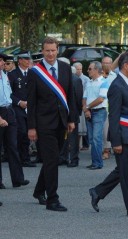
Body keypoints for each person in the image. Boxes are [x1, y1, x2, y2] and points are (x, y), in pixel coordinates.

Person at [89, 52, 128, 217]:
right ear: (126, 66)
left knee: (124, 170)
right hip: (122, 134)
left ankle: (97, 191)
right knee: (125, 173)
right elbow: (114, 115)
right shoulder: (116, 85)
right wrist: (115, 142)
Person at [27, 37, 75, 212]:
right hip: (43, 124)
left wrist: (71, 119)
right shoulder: (35, 72)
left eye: (53, 50)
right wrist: (31, 127)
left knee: (50, 160)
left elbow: (70, 96)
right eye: (47, 50)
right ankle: (52, 199)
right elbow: (31, 102)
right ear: (42, 51)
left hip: (62, 121)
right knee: (52, 160)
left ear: (58, 50)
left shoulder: (65, 68)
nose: (50, 54)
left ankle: (39, 190)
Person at [0, 53, 30, 189]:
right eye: (1, 61)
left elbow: (9, 94)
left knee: (13, 145)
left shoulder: (5, 75)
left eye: (4, 61)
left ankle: (18, 179)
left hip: (9, 111)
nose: (3, 63)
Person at [8, 51, 36, 167]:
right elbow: (9, 93)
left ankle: (27, 157)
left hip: (31, 108)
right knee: (22, 133)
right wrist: (19, 102)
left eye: (28, 59)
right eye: (25, 59)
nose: (28, 61)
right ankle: (23, 158)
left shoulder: (32, 74)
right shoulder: (12, 74)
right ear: (19, 60)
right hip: (18, 108)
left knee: (30, 133)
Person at [58, 58, 83, 167]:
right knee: (62, 136)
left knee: (72, 138)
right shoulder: (59, 78)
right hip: (61, 112)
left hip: (72, 112)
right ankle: (63, 157)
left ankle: (74, 159)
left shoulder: (75, 79)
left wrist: (76, 112)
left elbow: (78, 98)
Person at [82, 61, 108, 170]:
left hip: (99, 111)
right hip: (90, 111)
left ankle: (98, 163)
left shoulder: (104, 82)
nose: (88, 70)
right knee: (92, 139)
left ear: (97, 70)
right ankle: (95, 162)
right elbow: (84, 97)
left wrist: (87, 107)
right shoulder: (89, 82)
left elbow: (101, 98)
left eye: (89, 69)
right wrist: (86, 109)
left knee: (96, 138)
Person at [101, 56, 117, 160]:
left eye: (109, 63)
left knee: (113, 127)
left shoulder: (115, 76)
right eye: (105, 63)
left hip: (112, 105)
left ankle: (114, 146)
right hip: (102, 105)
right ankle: (106, 150)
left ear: (111, 64)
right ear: (101, 63)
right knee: (104, 128)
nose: (106, 65)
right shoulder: (98, 76)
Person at [73, 62, 90, 150]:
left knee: (82, 126)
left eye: (80, 69)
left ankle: (82, 145)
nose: (79, 71)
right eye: (77, 69)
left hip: (83, 103)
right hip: (76, 103)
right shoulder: (72, 78)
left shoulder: (86, 79)